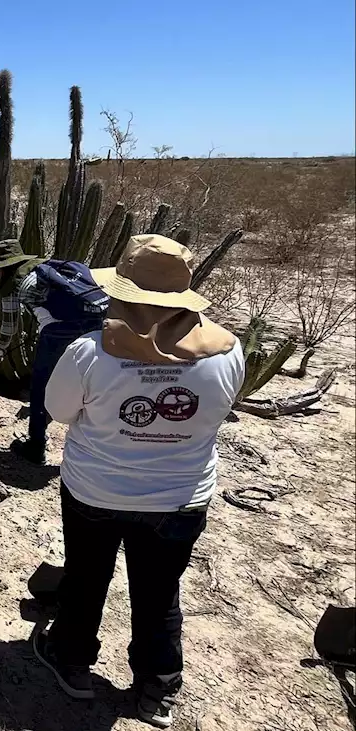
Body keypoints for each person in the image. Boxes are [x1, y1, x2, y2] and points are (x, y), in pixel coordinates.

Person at [34, 235, 245, 728]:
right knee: (159, 589)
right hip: (181, 497)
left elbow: (58, 411)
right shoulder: (227, 351)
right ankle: (158, 685)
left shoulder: (90, 351)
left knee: (87, 578)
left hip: (95, 490)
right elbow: (220, 412)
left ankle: (73, 662)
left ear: (125, 293)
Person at [0, 239, 108, 466]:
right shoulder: (47, 267)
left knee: (41, 387)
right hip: (99, 323)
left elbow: (9, 328)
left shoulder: (12, 286)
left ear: (1, 269)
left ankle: (36, 446)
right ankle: (97, 449)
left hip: (60, 333)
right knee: (92, 385)